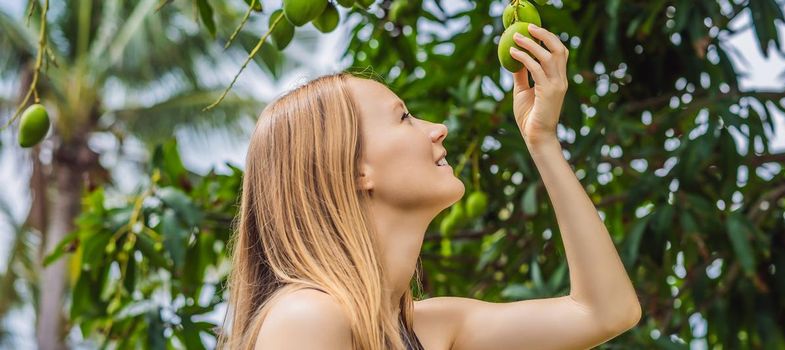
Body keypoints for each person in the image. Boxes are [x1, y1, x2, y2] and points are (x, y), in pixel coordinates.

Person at [216, 23, 641, 350]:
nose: (437, 129)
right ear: (353, 170)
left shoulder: (430, 329)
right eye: (403, 117)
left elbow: (606, 311)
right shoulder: (306, 319)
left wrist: (542, 141)